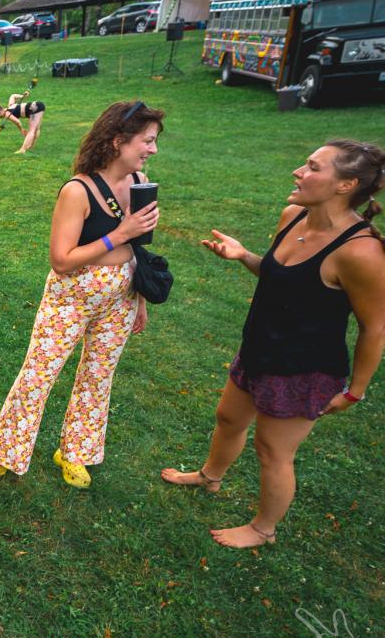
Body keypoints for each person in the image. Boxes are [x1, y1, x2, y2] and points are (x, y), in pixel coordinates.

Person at [162, 140, 385, 548]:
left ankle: (263, 529)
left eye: (313, 167)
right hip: (259, 349)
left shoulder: (362, 251)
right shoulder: (293, 216)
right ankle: (210, 477)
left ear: (345, 184)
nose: (299, 172)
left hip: (304, 369)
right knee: (228, 419)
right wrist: (244, 255)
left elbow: (375, 328)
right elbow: (278, 277)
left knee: (272, 452)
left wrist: (356, 391)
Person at [0, 101, 163, 489]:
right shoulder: (78, 191)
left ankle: (75, 453)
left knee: (97, 379)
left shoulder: (139, 183)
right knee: (37, 376)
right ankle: (1, 455)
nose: (152, 149)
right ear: (118, 141)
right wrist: (121, 232)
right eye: (146, 141)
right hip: (70, 299)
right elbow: (62, 260)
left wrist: (141, 301)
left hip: (120, 299)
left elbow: (139, 249)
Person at [0, 89, 45, 154]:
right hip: (39, 105)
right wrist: (23, 96)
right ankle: (30, 146)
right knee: (36, 129)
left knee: (32, 130)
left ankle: (23, 149)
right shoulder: (10, 105)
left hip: (34, 108)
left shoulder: (7, 114)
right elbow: (13, 96)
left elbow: (17, 121)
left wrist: (21, 130)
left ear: (0, 111)